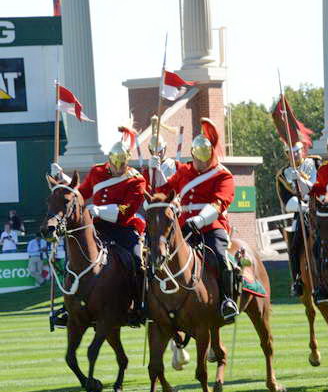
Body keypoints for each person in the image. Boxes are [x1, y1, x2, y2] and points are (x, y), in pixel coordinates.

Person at [51, 126, 146, 327]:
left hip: (123, 228)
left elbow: (127, 210)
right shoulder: (97, 171)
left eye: (122, 165)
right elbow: (81, 193)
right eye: (115, 164)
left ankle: (138, 306)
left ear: (127, 162)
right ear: (110, 159)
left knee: (137, 261)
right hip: (97, 229)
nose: (118, 168)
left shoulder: (137, 180)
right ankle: (69, 306)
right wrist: (63, 181)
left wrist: (99, 210)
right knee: (73, 258)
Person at [152, 117, 238, 321]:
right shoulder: (184, 171)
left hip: (210, 227)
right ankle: (156, 301)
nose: (200, 163)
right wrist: (156, 171)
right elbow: (163, 192)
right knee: (161, 257)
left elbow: (219, 203)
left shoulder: (223, 176)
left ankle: (227, 300)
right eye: (197, 158)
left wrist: (200, 220)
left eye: (204, 158)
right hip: (184, 229)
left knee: (219, 257)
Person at [275, 139, 320, 297]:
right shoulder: (283, 175)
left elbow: (320, 185)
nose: (294, 154)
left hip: (322, 208)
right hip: (302, 212)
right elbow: (287, 201)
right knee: (294, 247)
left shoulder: (316, 163)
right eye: (291, 152)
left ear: (303, 150)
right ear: (287, 154)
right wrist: (303, 207)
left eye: (297, 151)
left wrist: (302, 179)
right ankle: (297, 280)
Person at [309, 120, 328, 303]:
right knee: (317, 248)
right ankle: (322, 287)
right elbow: (319, 190)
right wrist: (308, 188)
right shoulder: (324, 170)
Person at [143, 115, 180, 192]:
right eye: (155, 152)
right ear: (150, 151)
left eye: (160, 151)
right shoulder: (147, 171)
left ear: (165, 148)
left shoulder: (175, 165)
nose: (158, 154)